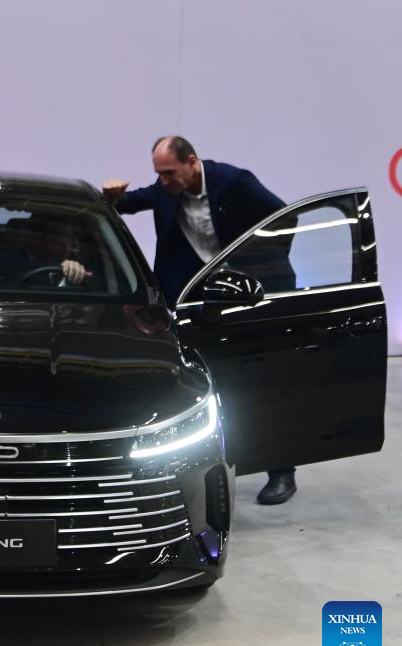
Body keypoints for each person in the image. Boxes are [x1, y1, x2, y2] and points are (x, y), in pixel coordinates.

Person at [101, 135, 296, 505]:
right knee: (209, 384)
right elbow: (127, 203)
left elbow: (284, 219)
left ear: (192, 162)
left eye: (169, 173)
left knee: (265, 383)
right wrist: (111, 196)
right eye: (158, 173)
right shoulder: (165, 191)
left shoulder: (234, 182)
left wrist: (259, 270)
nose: (162, 181)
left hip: (249, 297)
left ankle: (282, 471)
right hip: (201, 305)